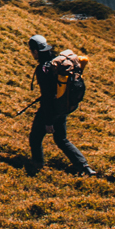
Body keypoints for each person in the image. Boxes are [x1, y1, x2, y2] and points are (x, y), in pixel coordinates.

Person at [27, 34, 95, 175]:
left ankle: (37, 166)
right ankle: (84, 167)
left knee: (35, 138)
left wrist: (48, 121)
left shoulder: (43, 69)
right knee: (61, 139)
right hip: (63, 106)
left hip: (51, 110)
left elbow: (47, 97)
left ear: (35, 51)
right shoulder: (56, 62)